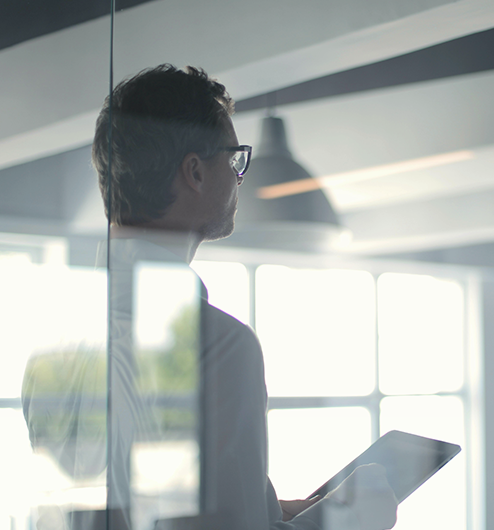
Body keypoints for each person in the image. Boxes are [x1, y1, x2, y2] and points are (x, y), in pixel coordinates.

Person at [25, 64, 398, 530]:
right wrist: (354, 520)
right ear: (196, 172)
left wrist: (274, 509)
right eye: (235, 158)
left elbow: (141, 508)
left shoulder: (53, 345)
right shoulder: (217, 345)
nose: (240, 176)